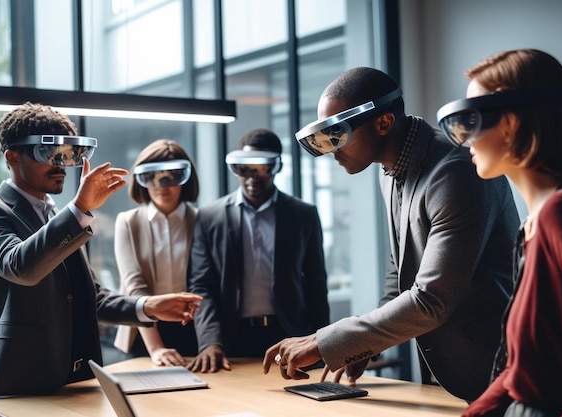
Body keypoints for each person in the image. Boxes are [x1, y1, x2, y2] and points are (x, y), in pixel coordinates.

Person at [263, 67, 521, 403]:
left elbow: (431, 299)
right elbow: (400, 264)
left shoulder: (455, 171)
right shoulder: (388, 169)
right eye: (326, 137)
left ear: (383, 123)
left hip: (493, 365)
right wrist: (362, 346)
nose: (332, 150)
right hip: (444, 367)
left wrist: (325, 342)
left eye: (338, 135)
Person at [0, 102, 202, 397]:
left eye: (68, 156)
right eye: (49, 154)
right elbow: (20, 267)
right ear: (12, 157)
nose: (60, 165)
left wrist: (147, 306)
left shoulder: (57, 215)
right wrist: (79, 209)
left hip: (80, 377)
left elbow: (91, 296)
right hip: (25, 380)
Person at [437, 49, 562, 417]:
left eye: (469, 120)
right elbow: (523, 367)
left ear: (511, 123)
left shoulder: (561, 214)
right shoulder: (533, 225)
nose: (464, 139)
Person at [187, 128, 330, 373]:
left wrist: (322, 344)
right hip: (230, 338)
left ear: (277, 167)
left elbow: (316, 284)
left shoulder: (303, 215)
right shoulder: (210, 217)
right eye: (246, 168)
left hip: (289, 334)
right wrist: (210, 341)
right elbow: (202, 286)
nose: (254, 176)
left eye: (263, 168)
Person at [113, 139, 200, 366]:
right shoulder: (128, 222)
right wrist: (156, 348)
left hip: (193, 326)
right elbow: (134, 286)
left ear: (184, 178)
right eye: (151, 177)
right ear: (142, 181)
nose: (162, 185)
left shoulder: (202, 220)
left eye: (171, 176)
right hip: (144, 332)